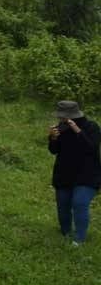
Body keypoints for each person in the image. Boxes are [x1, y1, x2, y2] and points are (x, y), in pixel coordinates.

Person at [48, 100, 101, 245]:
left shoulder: (92, 127)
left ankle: (79, 238)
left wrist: (77, 130)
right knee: (63, 204)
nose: (61, 119)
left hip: (87, 174)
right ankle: (65, 232)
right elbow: (54, 150)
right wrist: (53, 137)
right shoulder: (61, 128)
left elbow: (91, 148)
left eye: (63, 117)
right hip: (64, 172)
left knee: (79, 203)